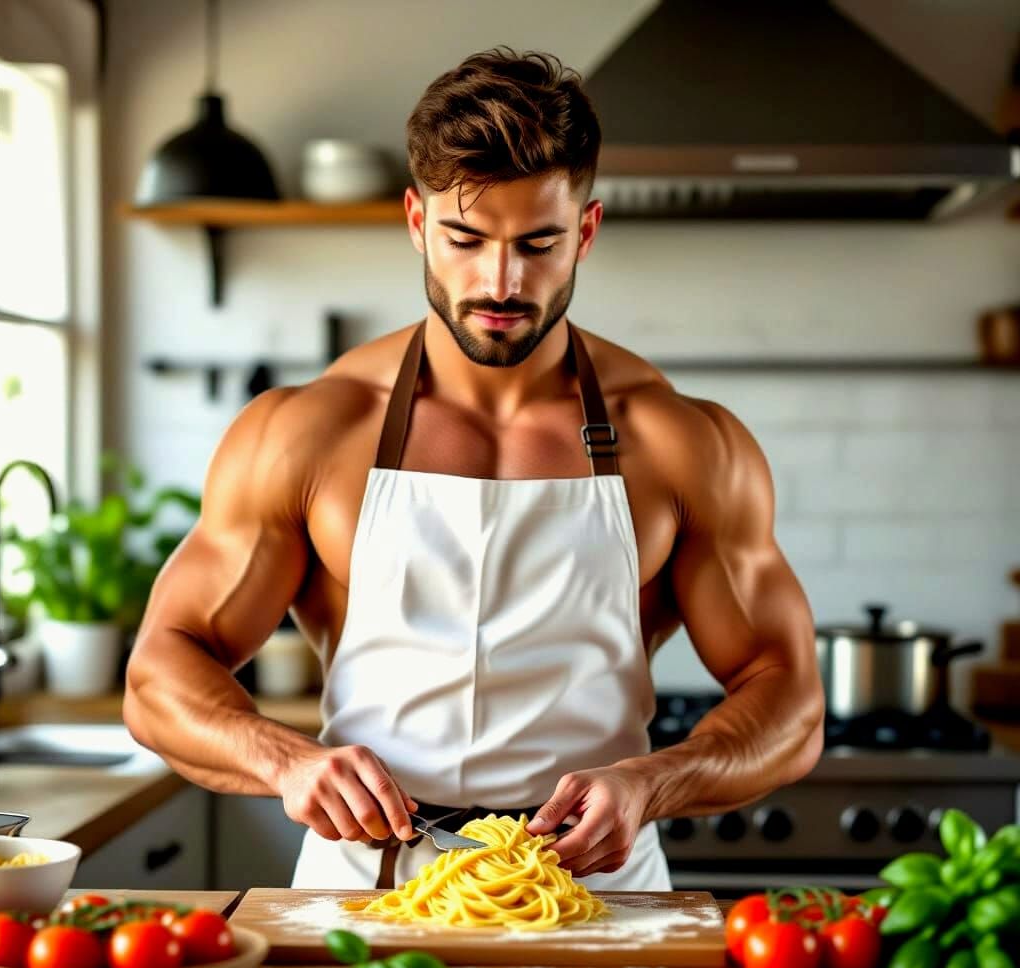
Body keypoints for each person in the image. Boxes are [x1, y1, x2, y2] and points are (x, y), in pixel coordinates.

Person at [124, 47, 824, 891]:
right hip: (363, 884)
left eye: (538, 243)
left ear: (587, 232)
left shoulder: (681, 441)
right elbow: (160, 672)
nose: (502, 281)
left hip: (595, 887)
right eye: (466, 238)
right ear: (417, 221)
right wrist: (286, 761)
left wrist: (652, 780)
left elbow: (790, 701)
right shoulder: (308, 431)